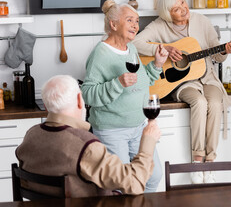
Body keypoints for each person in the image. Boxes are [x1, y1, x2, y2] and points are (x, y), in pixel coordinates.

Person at [132, 0, 231, 184]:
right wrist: (164, 48)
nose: (183, 10)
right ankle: (197, 161)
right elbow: (135, 42)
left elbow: (217, 55)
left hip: (208, 78)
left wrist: (225, 51)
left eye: (183, 3)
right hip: (184, 82)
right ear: (167, 14)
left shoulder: (201, 21)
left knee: (214, 103)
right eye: (176, 9)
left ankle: (211, 161)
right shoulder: (159, 25)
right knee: (199, 102)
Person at [16, 75, 162, 197]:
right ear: (80, 100)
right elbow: (134, 183)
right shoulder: (86, 146)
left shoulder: (31, 136)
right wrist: (147, 142)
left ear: (47, 107)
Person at [81, 0, 168, 193]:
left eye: (137, 21)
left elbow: (141, 81)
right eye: (129, 20)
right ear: (113, 25)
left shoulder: (132, 49)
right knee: (122, 186)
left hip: (139, 127)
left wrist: (157, 65)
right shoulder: (100, 54)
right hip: (113, 131)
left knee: (153, 177)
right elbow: (87, 94)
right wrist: (117, 83)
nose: (135, 25)